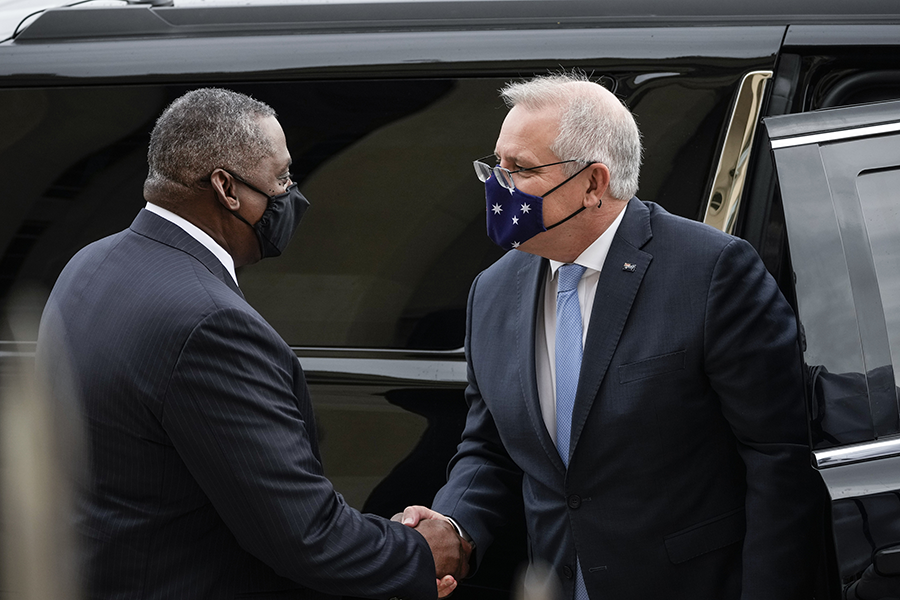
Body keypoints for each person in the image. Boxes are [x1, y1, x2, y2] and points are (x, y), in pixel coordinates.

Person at [398, 72, 823, 599]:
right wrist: (452, 528)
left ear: (594, 184)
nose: (495, 187)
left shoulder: (711, 272)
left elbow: (779, 459)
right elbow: (491, 449)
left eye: (520, 170)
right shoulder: (492, 290)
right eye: (495, 165)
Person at [35, 88, 469, 600]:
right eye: (282, 177)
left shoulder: (91, 262)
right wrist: (423, 552)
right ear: (226, 188)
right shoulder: (212, 324)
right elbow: (304, 534)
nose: (293, 195)